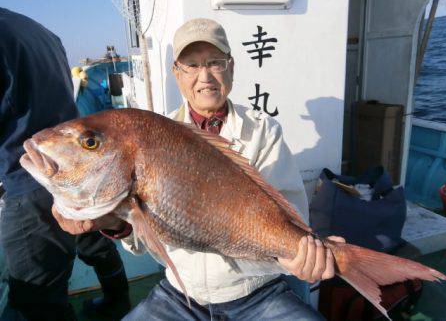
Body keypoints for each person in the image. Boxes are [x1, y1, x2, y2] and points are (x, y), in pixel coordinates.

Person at [53, 18, 344, 320]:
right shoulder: (155, 137)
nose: (204, 76)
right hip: (181, 294)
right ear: (177, 74)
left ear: (231, 67)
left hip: (256, 292)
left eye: (215, 62)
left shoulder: (263, 131)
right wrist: (113, 223)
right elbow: (140, 243)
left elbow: (291, 217)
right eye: (191, 65)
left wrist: (302, 256)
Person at [0, 8, 130, 320]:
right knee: (96, 243)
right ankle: (118, 301)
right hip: (80, 173)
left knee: (37, 295)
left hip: (27, 176)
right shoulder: (39, 29)